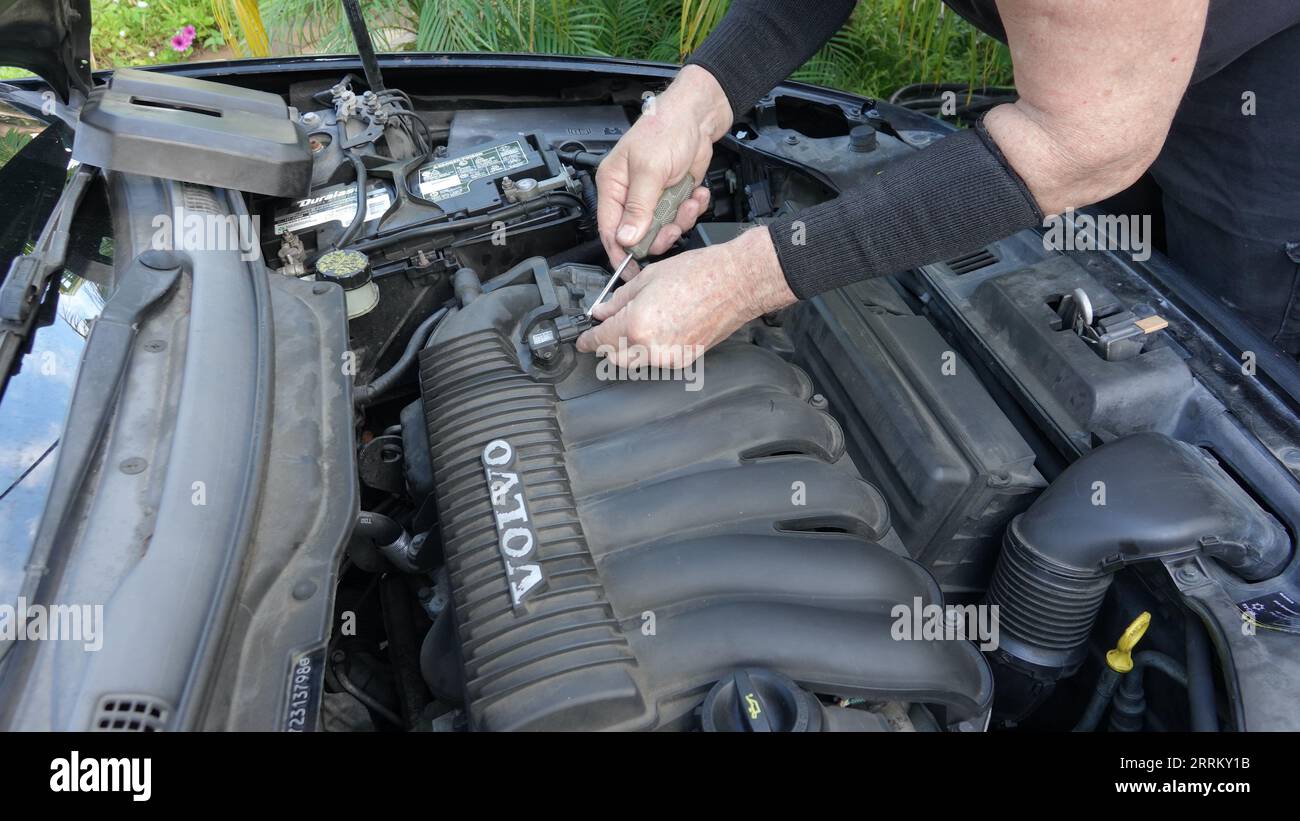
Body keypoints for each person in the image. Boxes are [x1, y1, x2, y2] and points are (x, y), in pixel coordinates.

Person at [575, 0, 1300, 363]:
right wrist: (691, 106)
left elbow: (1077, 146)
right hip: (1105, 59)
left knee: (1220, 351)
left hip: (1266, 85)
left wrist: (738, 280)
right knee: (1096, 281)